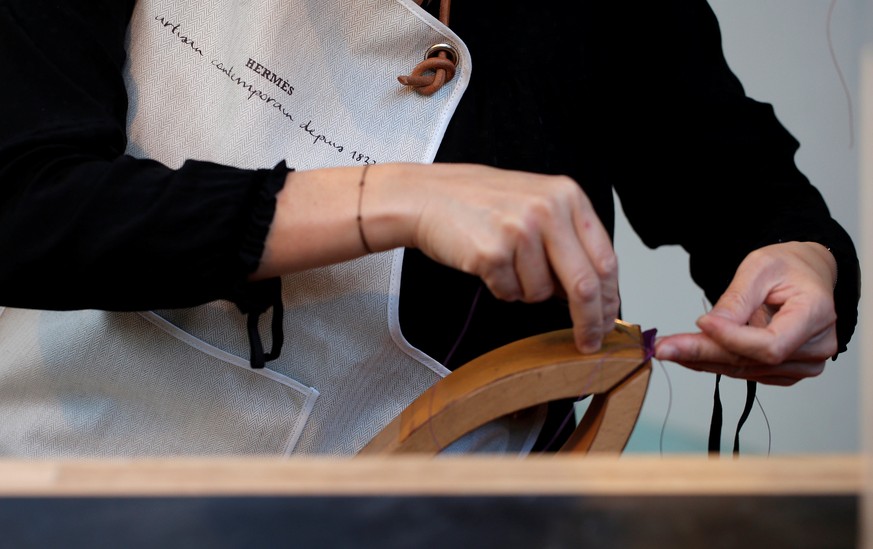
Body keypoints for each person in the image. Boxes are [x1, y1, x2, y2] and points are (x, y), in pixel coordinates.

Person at [0, 0, 859, 456]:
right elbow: (25, 206)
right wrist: (393, 200)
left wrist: (799, 263)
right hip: (60, 483)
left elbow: (745, 189)